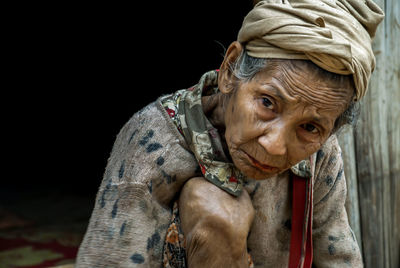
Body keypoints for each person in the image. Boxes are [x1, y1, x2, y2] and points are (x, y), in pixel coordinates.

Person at [76, 0, 384, 267]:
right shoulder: (153, 138)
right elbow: (111, 259)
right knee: (213, 206)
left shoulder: (322, 151)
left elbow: (338, 252)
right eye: (267, 103)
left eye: (309, 127)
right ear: (230, 70)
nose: (275, 146)